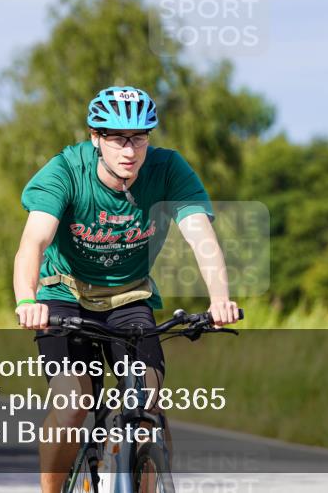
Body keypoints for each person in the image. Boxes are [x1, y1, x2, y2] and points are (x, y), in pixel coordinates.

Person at [14, 85, 239, 493]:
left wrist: (220, 299)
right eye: (118, 139)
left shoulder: (168, 170)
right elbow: (35, 241)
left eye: (139, 138)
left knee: (148, 403)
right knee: (72, 404)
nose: (130, 151)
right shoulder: (66, 171)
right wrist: (27, 300)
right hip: (64, 296)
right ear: (96, 138)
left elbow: (201, 237)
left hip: (130, 298)